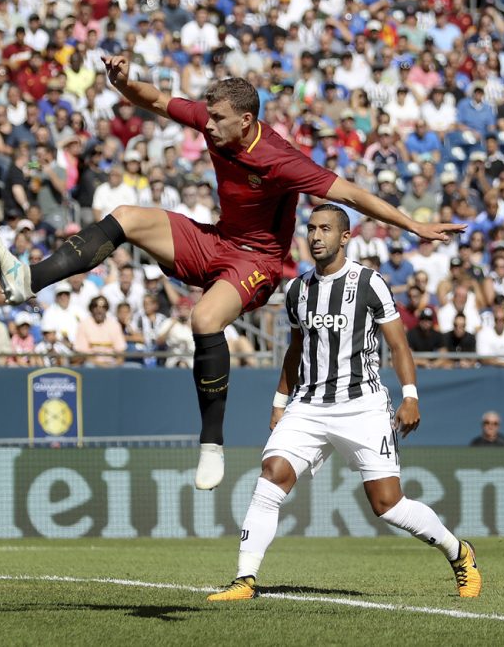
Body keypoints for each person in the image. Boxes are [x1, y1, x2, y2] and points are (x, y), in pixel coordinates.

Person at [0, 62, 465, 491]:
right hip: (219, 241)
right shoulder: (216, 123)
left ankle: (211, 444)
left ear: (247, 121)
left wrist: (415, 225)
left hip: (258, 261)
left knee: (204, 318)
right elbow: (152, 100)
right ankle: (28, 280)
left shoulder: (281, 159)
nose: (206, 125)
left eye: (216, 119)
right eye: (208, 116)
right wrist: (123, 82)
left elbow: (353, 195)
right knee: (127, 216)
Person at [206, 205, 481, 603]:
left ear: (345, 237)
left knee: (387, 504)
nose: (316, 236)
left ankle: (459, 553)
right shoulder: (298, 290)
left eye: (325, 229)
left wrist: (410, 396)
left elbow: (398, 345)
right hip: (309, 404)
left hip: (363, 405)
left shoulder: (371, 284)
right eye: (312, 229)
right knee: (271, 476)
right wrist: (280, 402)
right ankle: (244, 579)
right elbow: (295, 350)